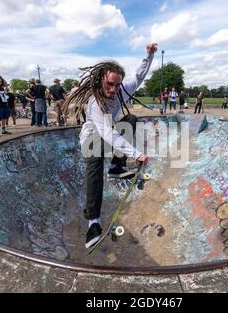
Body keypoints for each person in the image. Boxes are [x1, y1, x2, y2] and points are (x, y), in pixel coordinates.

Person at [63, 43, 157, 249]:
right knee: (95, 158)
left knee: (130, 118)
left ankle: (116, 167)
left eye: (117, 85)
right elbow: (107, 132)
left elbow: (139, 77)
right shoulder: (94, 102)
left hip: (106, 137)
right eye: (109, 85)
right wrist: (137, 154)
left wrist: (149, 56)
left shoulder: (120, 91)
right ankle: (93, 222)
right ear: (100, 82)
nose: (113, 90)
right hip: (91, 140)